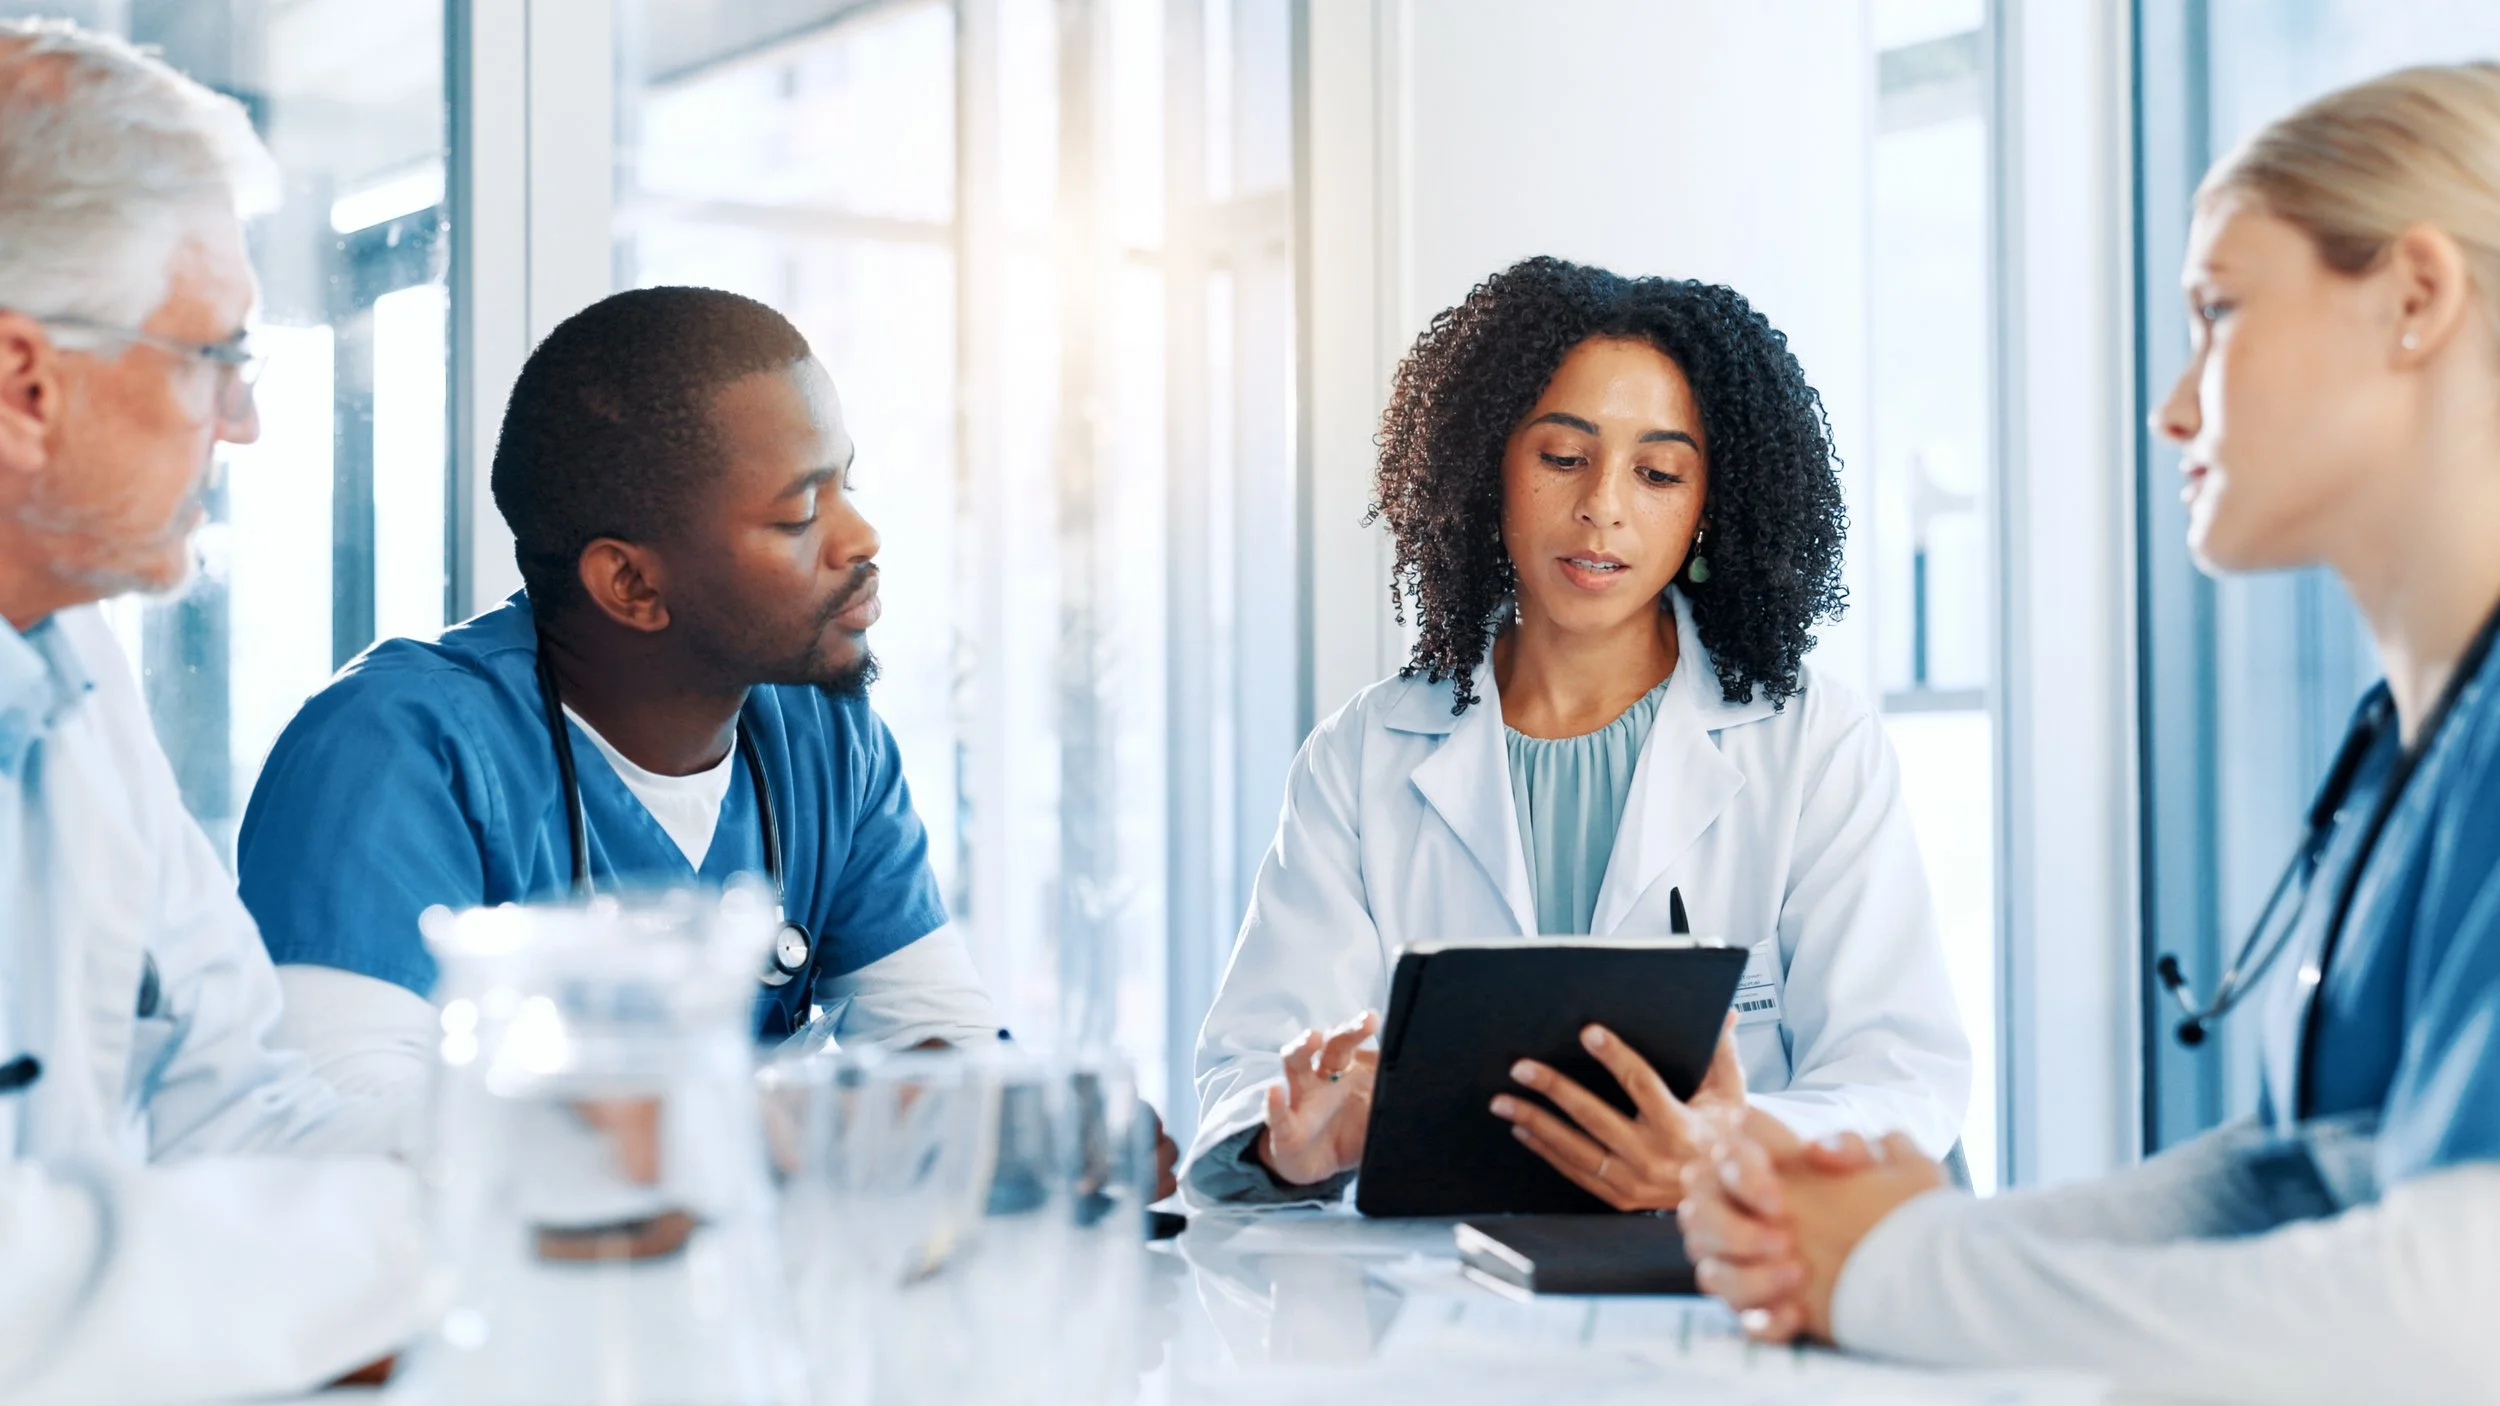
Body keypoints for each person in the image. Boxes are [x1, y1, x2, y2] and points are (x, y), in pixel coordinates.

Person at [1676, 64, 2500, 1404]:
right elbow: (2309, 1173)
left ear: (2415, 297)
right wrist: (1883, 1238)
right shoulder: (2413, 744)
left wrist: (1895, 1268)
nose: (2172, 406)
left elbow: (2461, 1307)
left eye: (2219, 314)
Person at [238, 286, 1178, 1194]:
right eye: (800, 514)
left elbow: (933, 1039)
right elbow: (339, 1134)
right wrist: (774, 1128)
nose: (862, 537)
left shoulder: (823, 735)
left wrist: (1031, 1123)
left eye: (846, 485)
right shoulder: (394, 751)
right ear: (633, 586)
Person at [1186, 258, 1970, 1206]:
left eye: (1658, 472)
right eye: (1563, 457)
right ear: (1487, 464)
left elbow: (1899, 1076)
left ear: (1709, 504)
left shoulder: (1810, 745)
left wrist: (1731, 1142)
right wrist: (1296, 1143)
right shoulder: (1362, 759)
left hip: (1721, 1285)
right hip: (1440, 1301)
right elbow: (1254, 1072)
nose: (1603, 504)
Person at [0, 19, 421, 1404]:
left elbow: (233, 1104)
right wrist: (434, 1240)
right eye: (210, 355)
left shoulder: (69, 668)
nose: (237, 421)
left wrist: (602, 1149)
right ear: (25, 383)